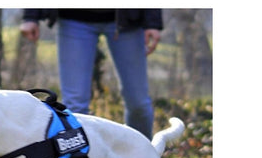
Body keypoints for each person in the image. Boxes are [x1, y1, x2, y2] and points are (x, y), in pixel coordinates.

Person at [20, 9, 162, 139]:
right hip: (74, 18)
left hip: (128, 20)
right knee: (75, 105)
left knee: (138, 104)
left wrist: (153, 23)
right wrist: (30, 16)